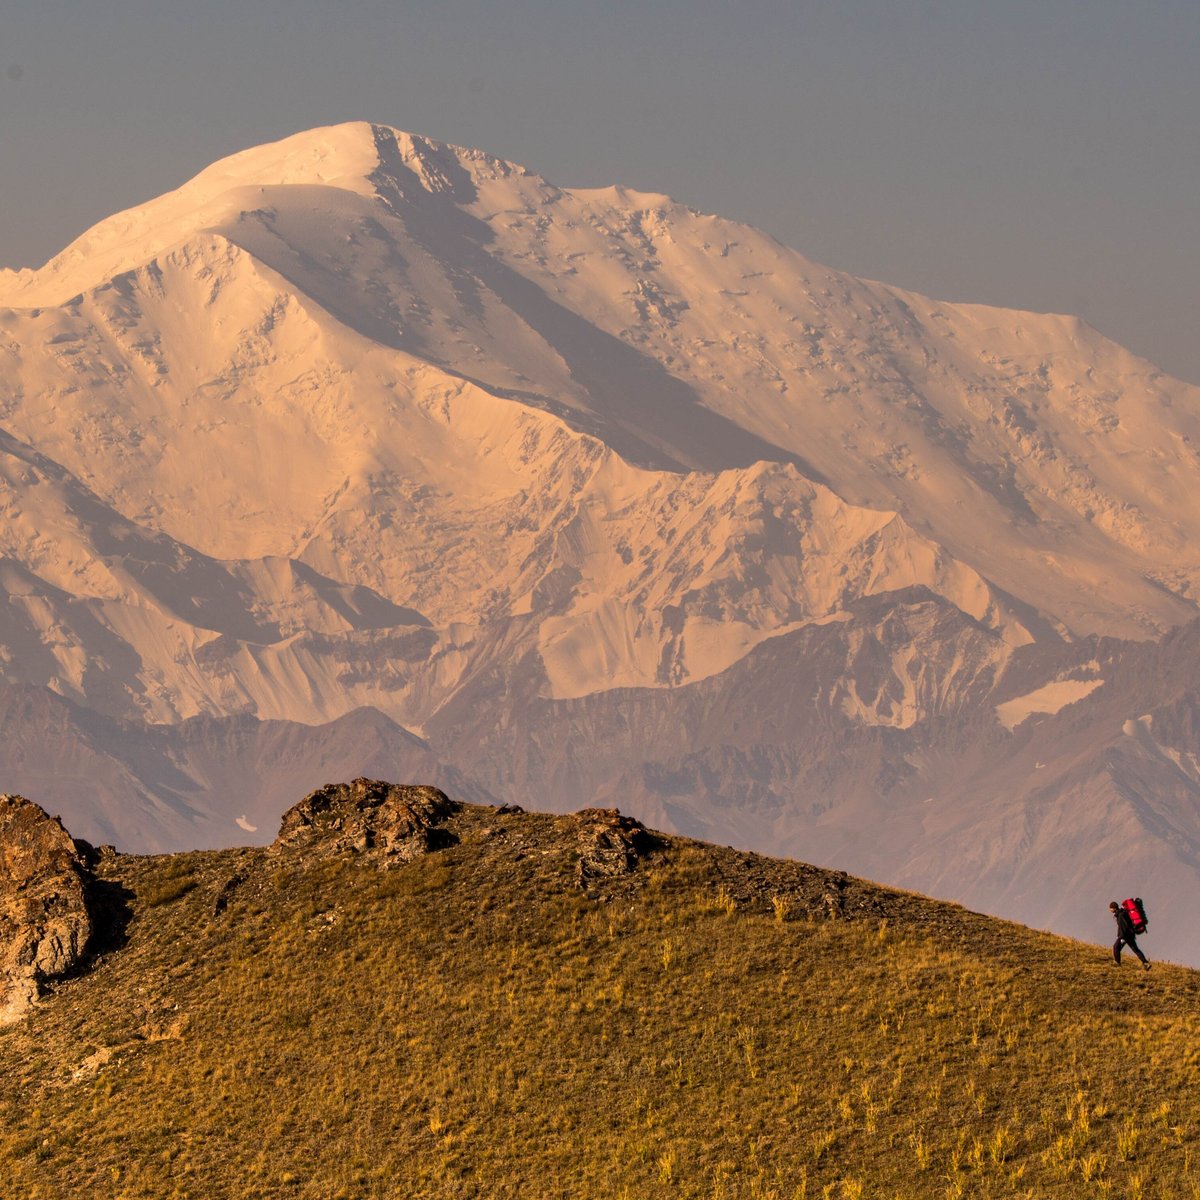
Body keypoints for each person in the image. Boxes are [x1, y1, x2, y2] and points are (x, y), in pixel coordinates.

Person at [1110, 900, 1150, 970]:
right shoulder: (1123, 913)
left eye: (1110, 908)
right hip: (1131, 934)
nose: (1109, 910)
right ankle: (1145, 963)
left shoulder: (1120, 915)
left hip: (1125, 935)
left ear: (1113, 908)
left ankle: (1117, 963)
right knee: (1135, 949)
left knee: (1116, 947)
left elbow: (1123, 927)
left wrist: (1121, 937)